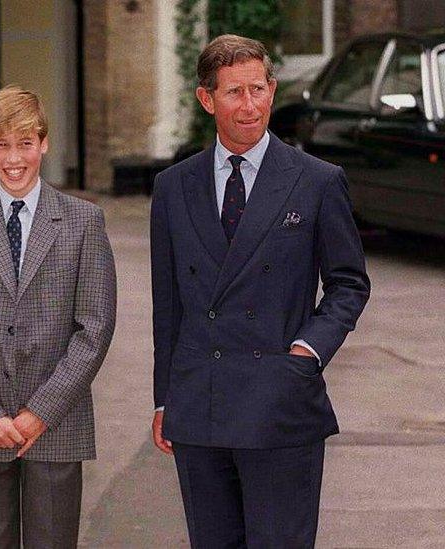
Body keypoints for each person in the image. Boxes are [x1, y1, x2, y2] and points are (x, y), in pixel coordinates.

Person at [150, 34, 371, 547]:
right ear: (207, 99)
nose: (250, 106)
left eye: (258, 89)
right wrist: (165, 398)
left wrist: (307, 352)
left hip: (280, 403)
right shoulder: (173, 187)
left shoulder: (316, 181)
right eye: (234, 92)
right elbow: (169, 306)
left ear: (272, 89)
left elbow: (348, 283)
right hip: (199, 404)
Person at [0, 86, 116, 548]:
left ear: (44, 143)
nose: (15, 159)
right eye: (3, 145)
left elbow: (94, 327)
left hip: (55, 423)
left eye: (25, 144)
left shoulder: (82, 221)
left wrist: (40, 412)